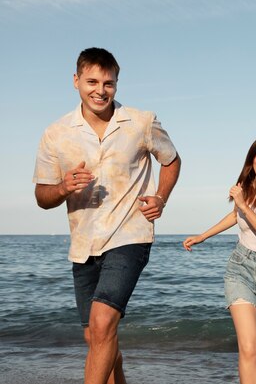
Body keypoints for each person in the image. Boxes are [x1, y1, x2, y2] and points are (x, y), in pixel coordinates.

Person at [33, 47, 181, 384]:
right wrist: (62, 188)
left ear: (116, 84)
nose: (100, 90)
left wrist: (161, 197)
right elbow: (42, 196)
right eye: (92, 81)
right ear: (76, 81)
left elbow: (171, 160)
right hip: (83, 244)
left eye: (109, 83)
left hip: (130, 235)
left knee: (101, 325)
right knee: (97, 337)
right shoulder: (55, 134)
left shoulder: (141, 122)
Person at [183, 135, 256, 384]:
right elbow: (235, 216)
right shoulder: (246, 185)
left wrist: (244, 206)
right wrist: (203, 235)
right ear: (252, 157)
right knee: (247, 348)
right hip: (240, 268)